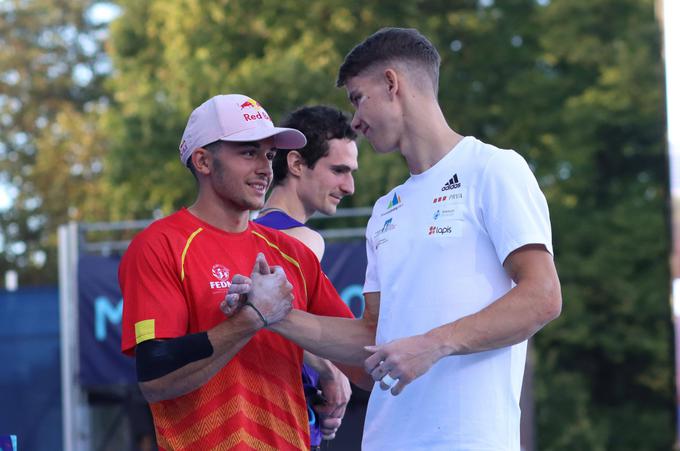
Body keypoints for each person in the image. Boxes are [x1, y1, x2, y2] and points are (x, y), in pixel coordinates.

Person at [234, 28, 562, 450]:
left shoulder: (494, 169)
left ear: (392, 84)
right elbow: (372, 339)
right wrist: (273, 315)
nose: (354, 119)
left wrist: (433, 344)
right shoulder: (386, 208)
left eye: (357, 98)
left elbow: (543, 297)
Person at [118, 94, 358, 451]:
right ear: (202, 160)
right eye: (248, 152)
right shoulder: (160, 244)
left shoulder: (292, 253)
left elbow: (364, 356)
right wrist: (251, 319)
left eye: (269, 154)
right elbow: (155, 375)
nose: (265, 167)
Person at [254, 105, 359, 447]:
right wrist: (330, 371)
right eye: (339, 170)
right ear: (297, 164)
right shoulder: (302, 240)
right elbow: (273, 320)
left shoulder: (250, 233)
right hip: (285, 426)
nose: (350, 186)